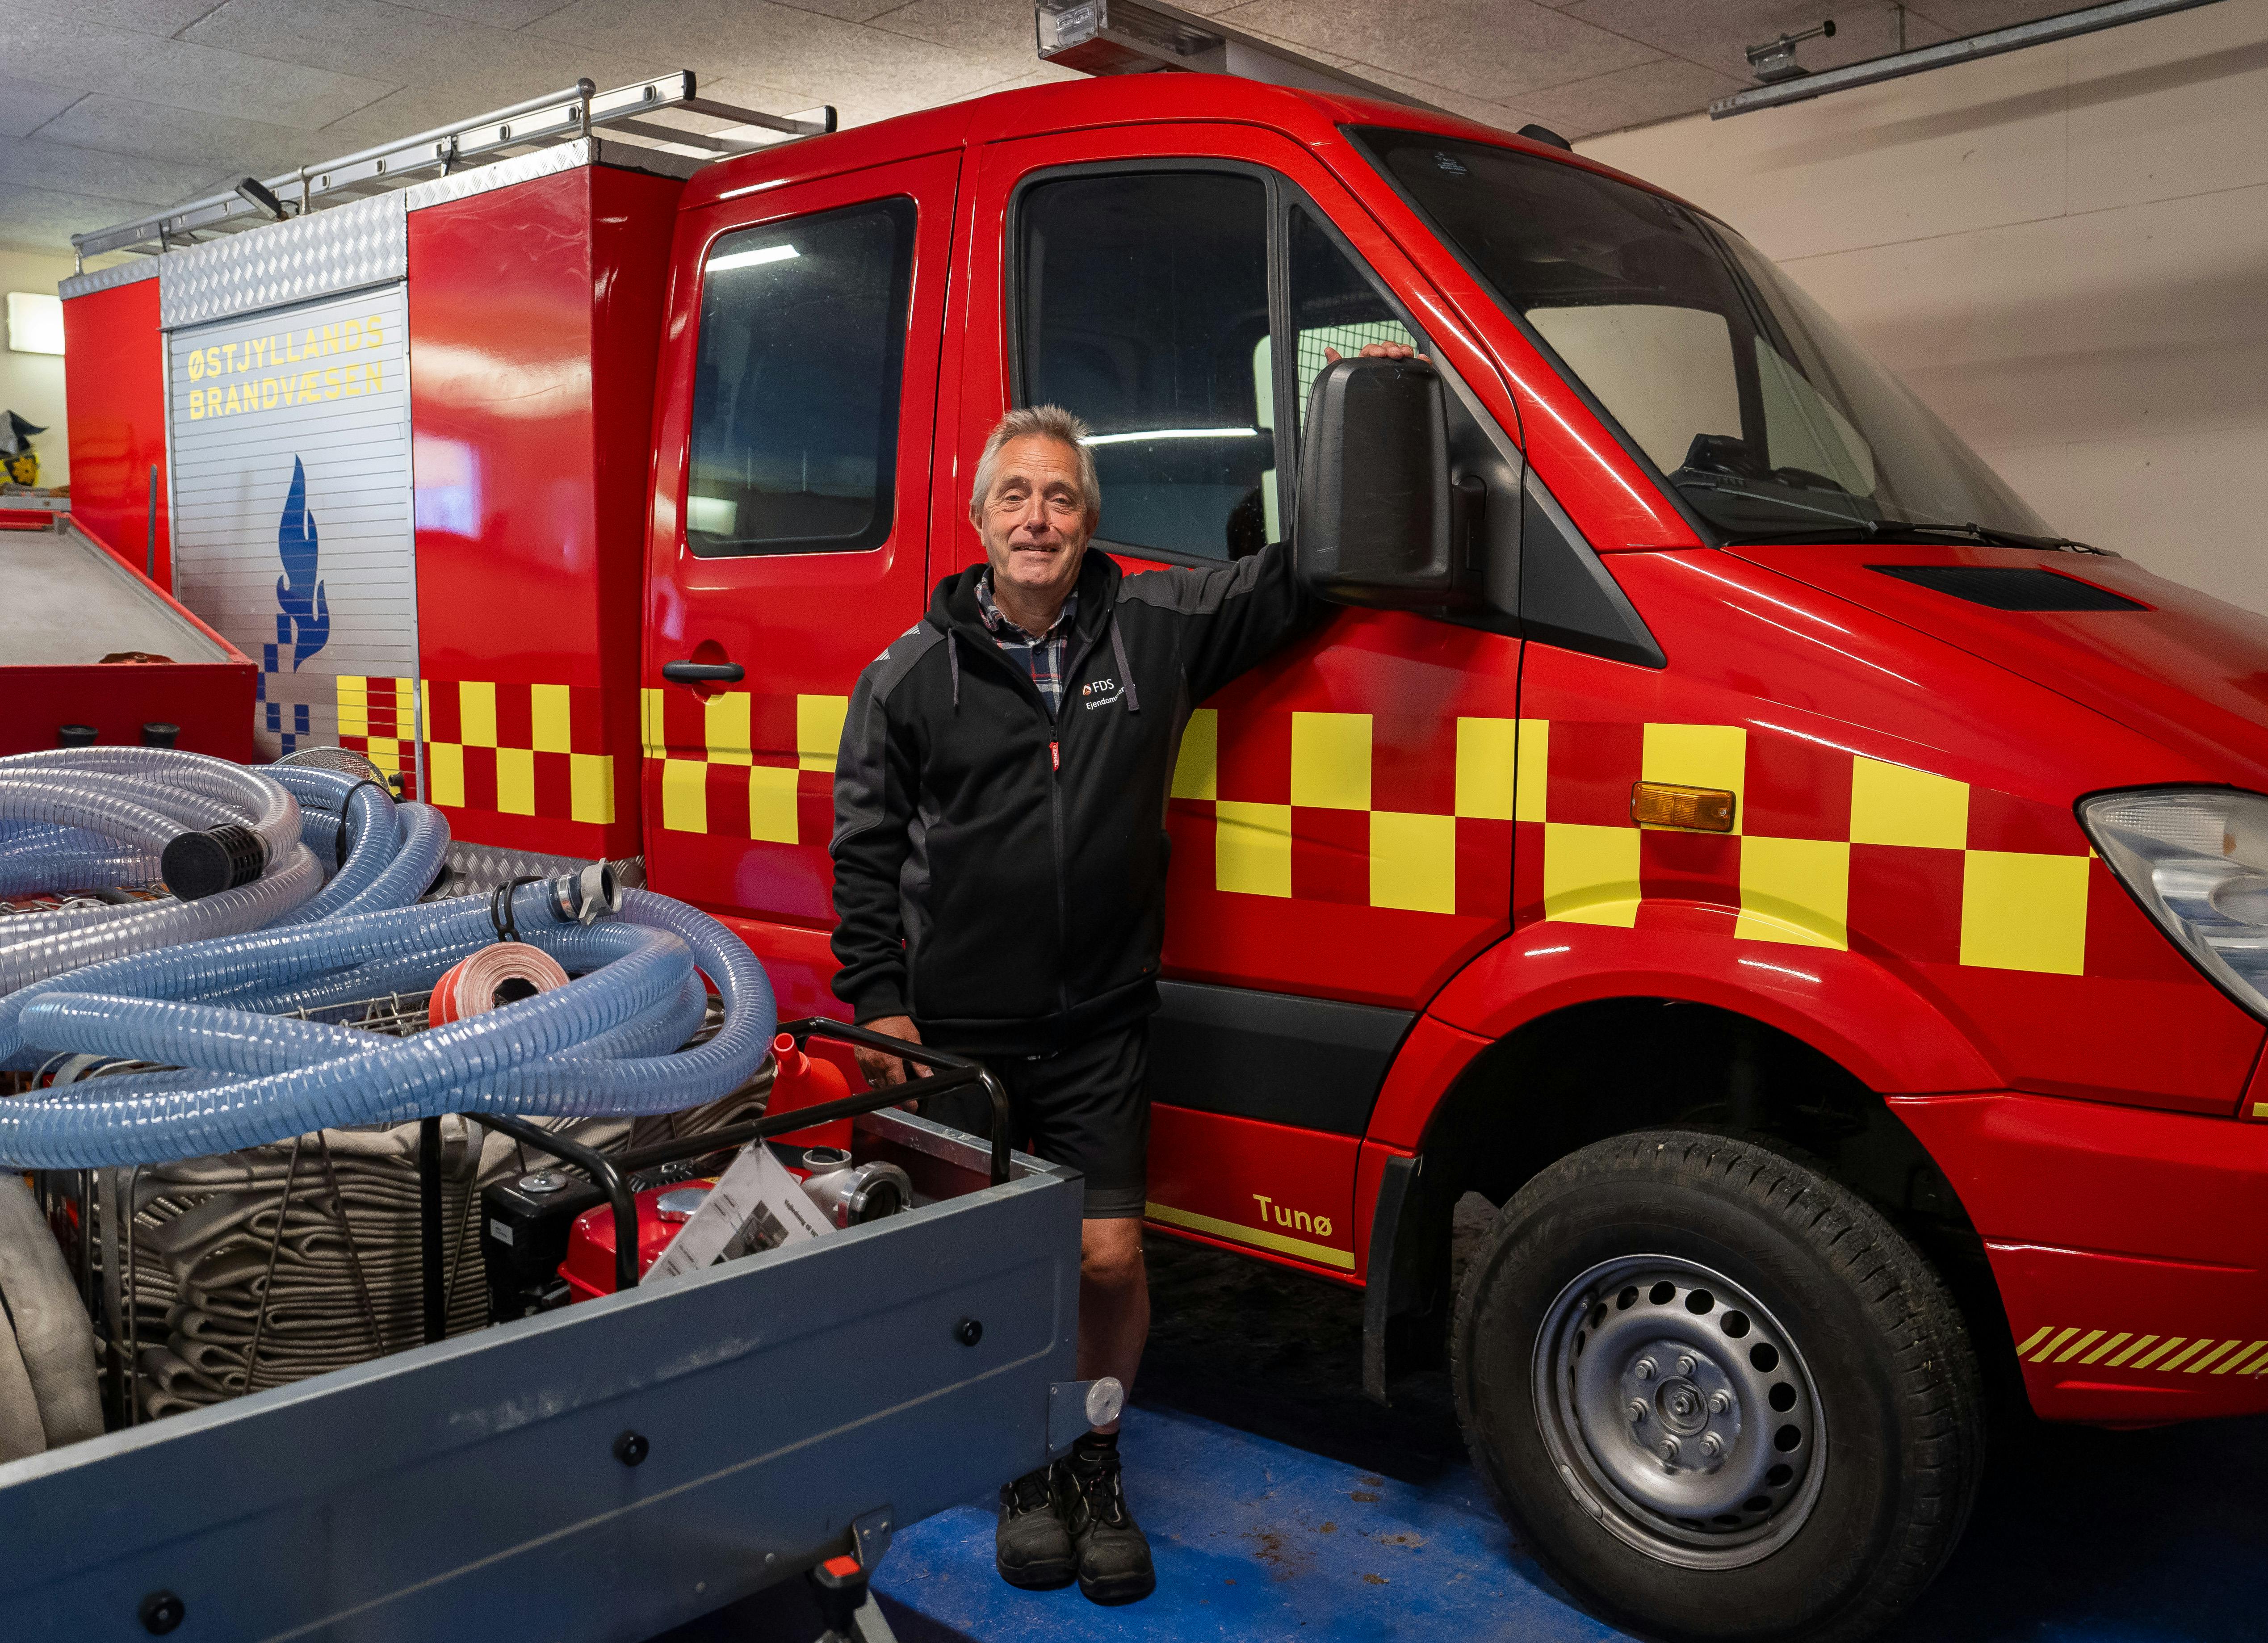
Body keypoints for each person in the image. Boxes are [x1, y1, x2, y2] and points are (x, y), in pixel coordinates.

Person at [830, 358, 1410, 1604]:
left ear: (1091, 522)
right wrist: (878, 997)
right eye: (1015, 497)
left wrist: (1384, 411)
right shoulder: (906, 676)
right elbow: (864, 848)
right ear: (978, 520)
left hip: (1099, 1026)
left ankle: (1091, 1457)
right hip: (959, 1040)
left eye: (1062, 498)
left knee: (1104, 1260)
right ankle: (1020, 1470)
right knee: (990, 1268)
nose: (1038, 518)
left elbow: (1303, 575)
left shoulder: (1155, 625)